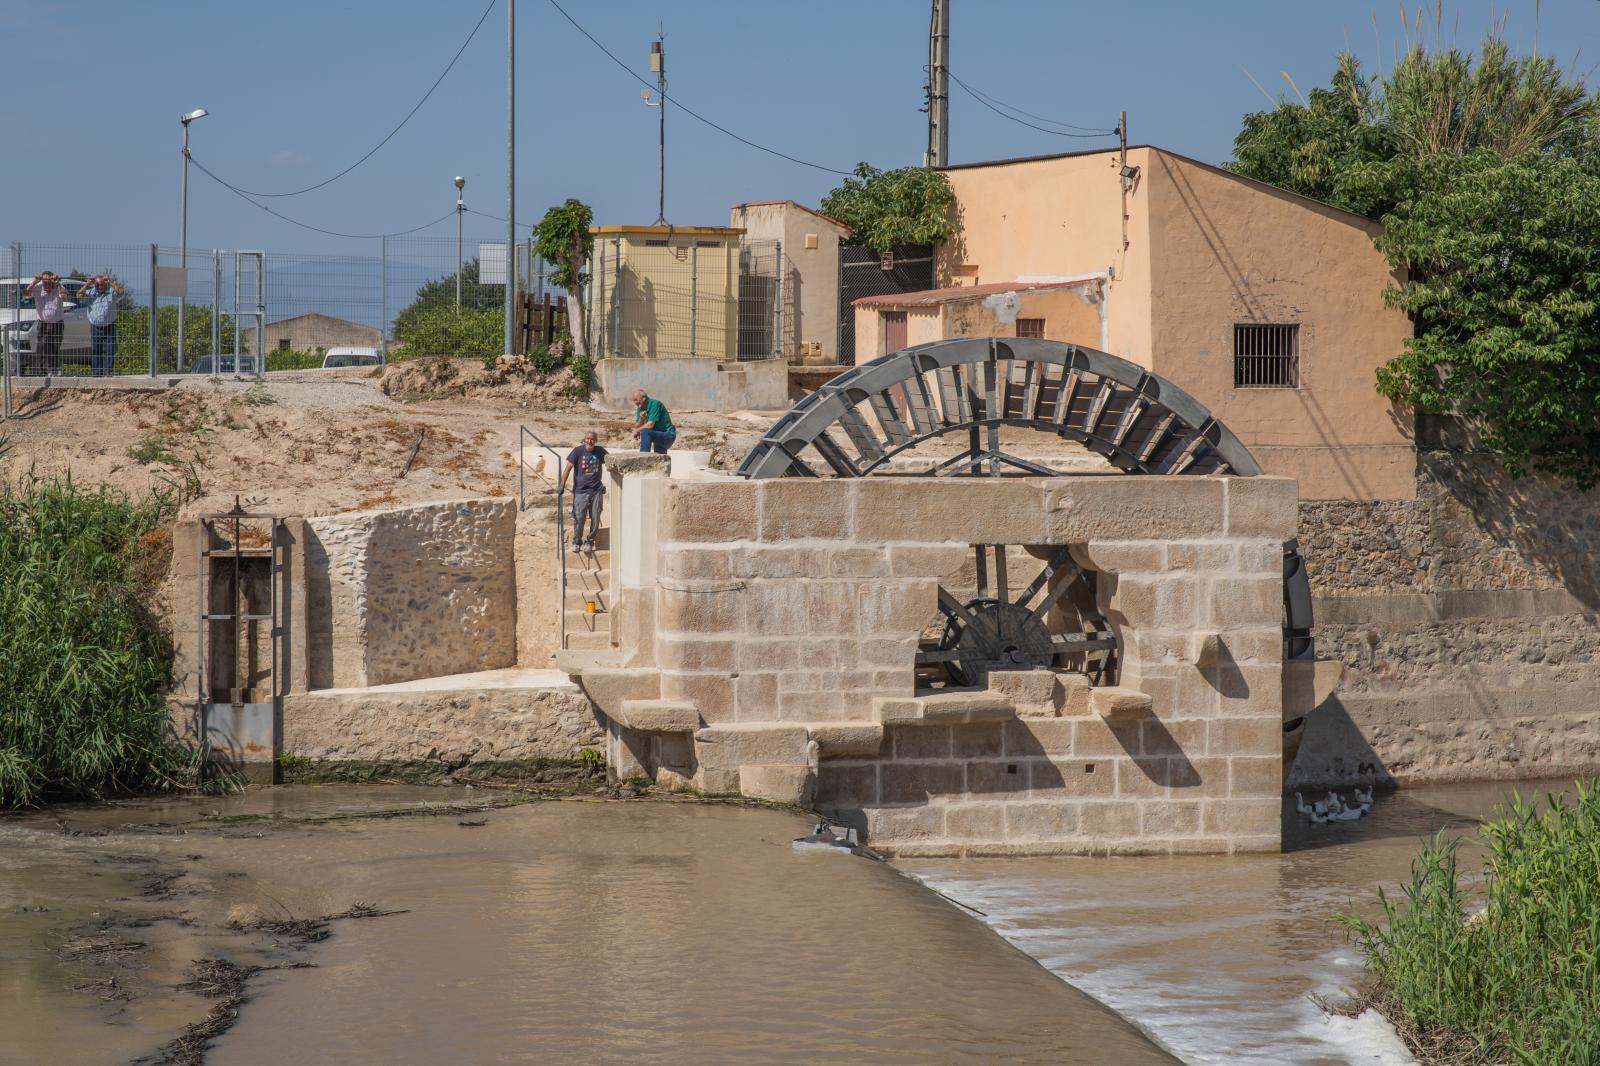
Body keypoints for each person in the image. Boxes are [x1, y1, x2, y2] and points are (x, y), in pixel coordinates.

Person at [561, 430, 608, 552]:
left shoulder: (600, 451)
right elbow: (568, 468)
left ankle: (590, 541)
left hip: (596, 490)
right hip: (580, 491)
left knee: (595, 517)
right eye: (587, 438)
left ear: (595, 441)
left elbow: (610, 462)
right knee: (579, 517)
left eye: (592, 439)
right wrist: (562, 485)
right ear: (584, 439)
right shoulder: (577, 451)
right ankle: (577, 541)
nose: (589, 441)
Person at [22, 272, 67, 376]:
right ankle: (42, 371)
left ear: (52, 280)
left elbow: (64, 297)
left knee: (55, 346)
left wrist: (58, 284)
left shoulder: (58, 287)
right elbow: (25, 294)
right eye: (44, 281)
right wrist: (34, 282)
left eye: (49, 280)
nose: (46, 283)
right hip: (43, 323)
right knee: (42, 346)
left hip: (57, 323)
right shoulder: (38, 287)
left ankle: (54, 370)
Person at [79, 275, 124, 377]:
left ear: (105, 284)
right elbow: (79, 295)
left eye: (102, 284)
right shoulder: (90, 293)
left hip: (109, 325)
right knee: (96, 349)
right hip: (95, 326)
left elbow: (120, 292)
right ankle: (97, 372)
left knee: (110, 349)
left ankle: (108, 371)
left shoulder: (111, 291)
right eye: (97, 285)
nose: (100, 287)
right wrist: (87, 284)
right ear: (94, 285)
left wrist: (111, 282)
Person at [630, 389, 676, 454]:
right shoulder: (640, 408)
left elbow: (650, 425)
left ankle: (643, 457)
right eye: (634, 401)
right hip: (656, 436)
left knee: (646, 432)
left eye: (636, 400)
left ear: (643, 398)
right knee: (660, 458)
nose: (635, 403)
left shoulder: (655, 404)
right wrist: (641, 419)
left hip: (668, 435)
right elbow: (637, 426)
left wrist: (637, 430)